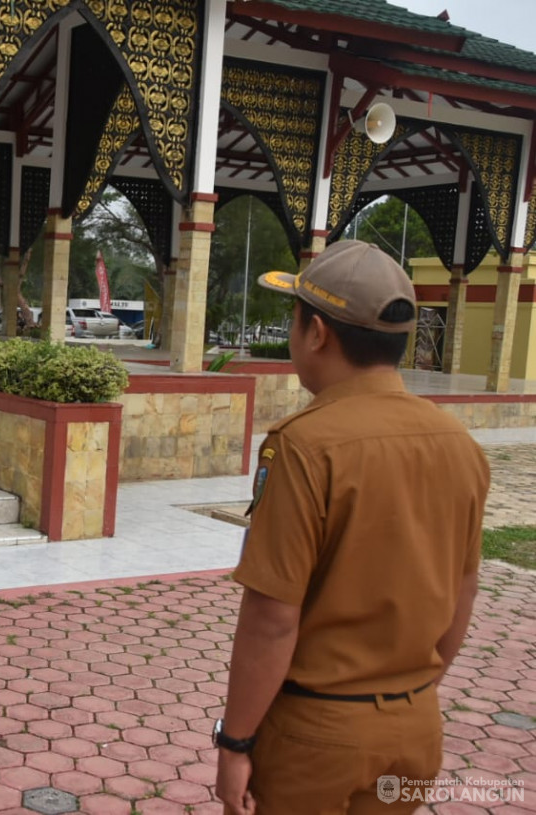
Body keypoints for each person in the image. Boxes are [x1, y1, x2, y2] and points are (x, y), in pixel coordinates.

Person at [214, 240, 490, 815]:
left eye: (294, 319)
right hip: (417, 726)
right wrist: (410, 692)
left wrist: (236, 741)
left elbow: (271, 619)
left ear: (316, 332)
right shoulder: (459, 445)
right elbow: (464, 589)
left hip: (317, 733)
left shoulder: (304, 446)